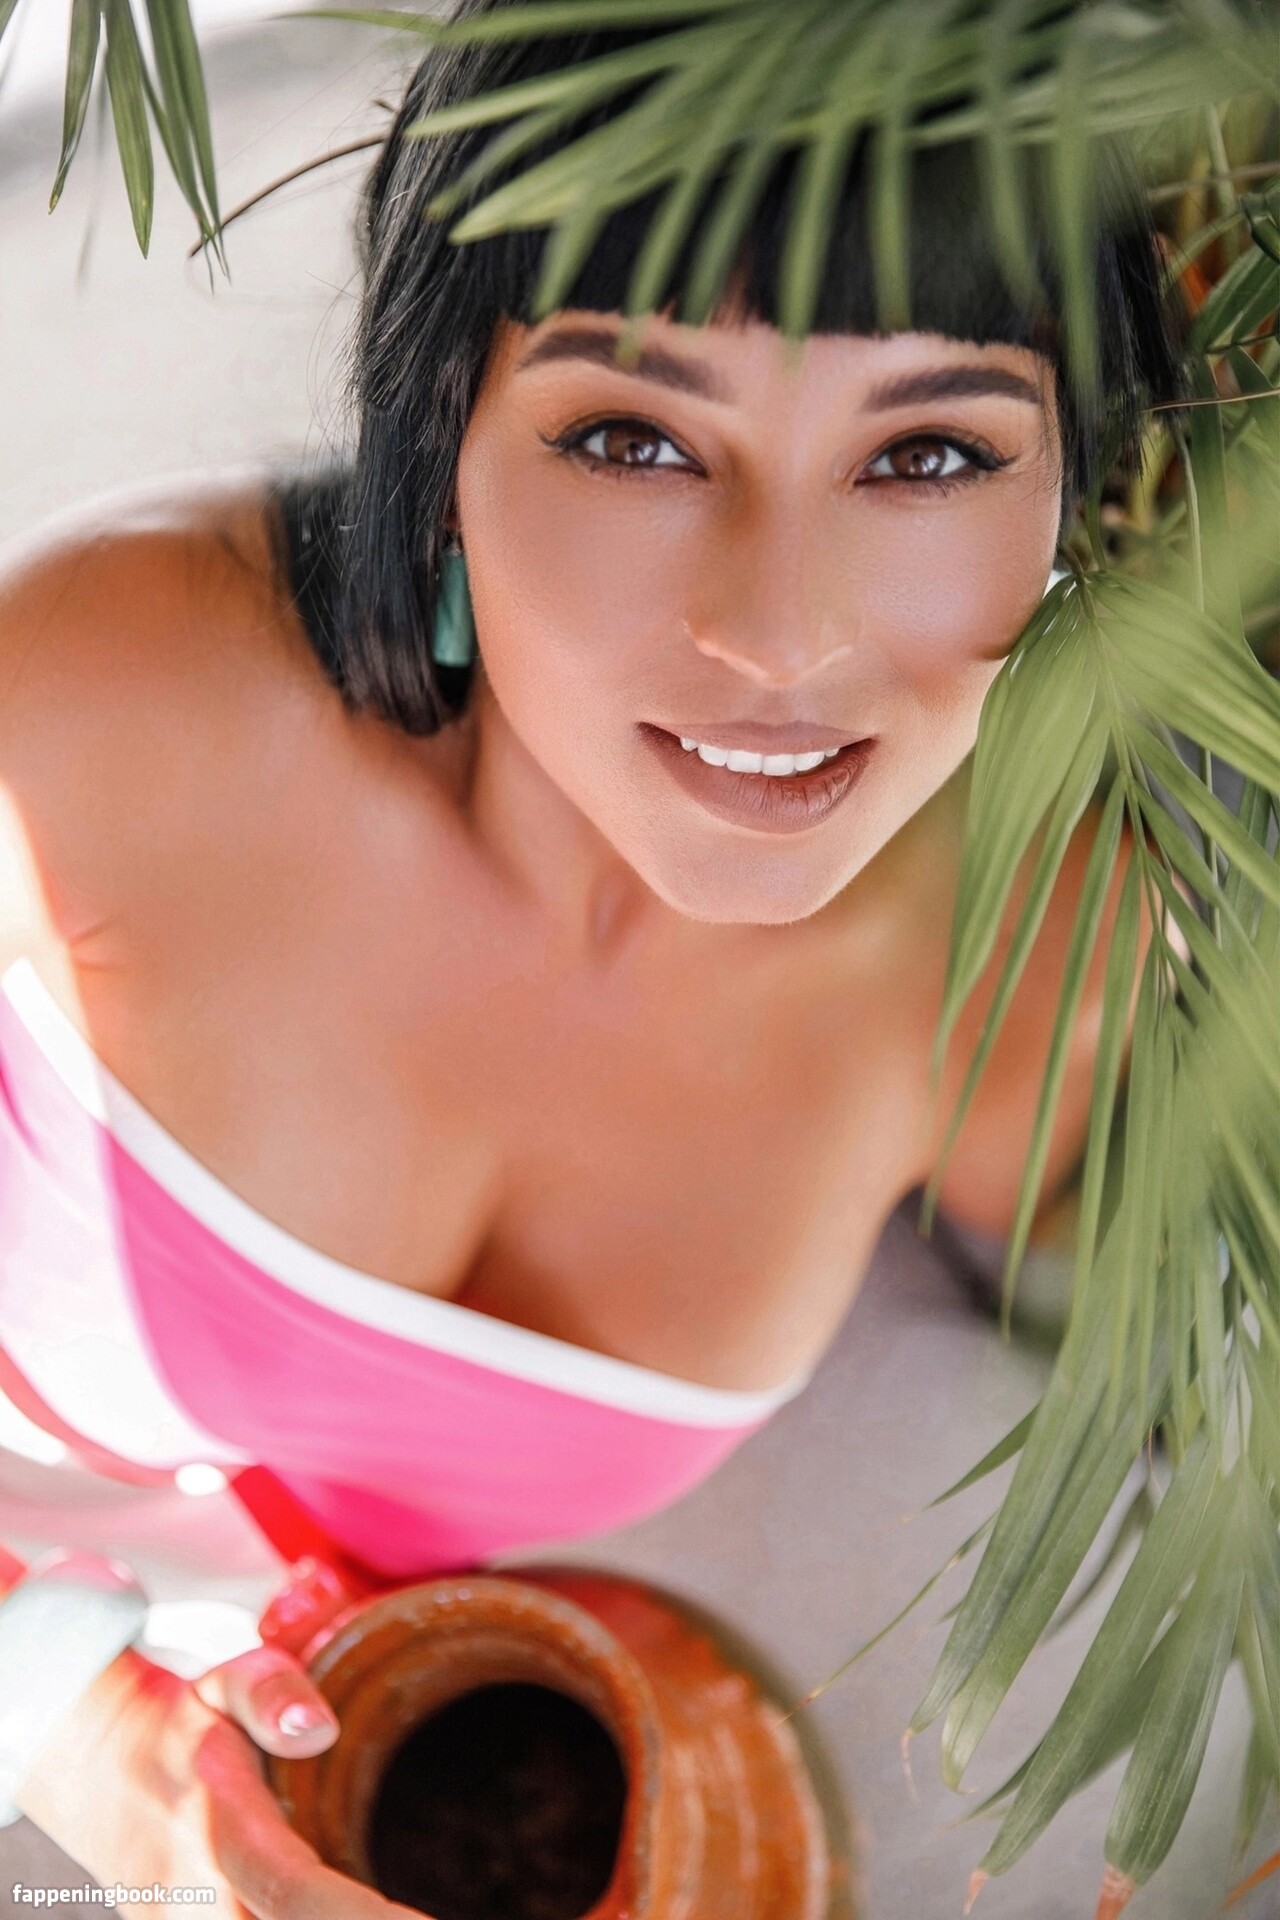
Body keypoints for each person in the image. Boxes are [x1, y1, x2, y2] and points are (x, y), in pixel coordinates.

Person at [0, 2, 1183, 1912]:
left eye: (929, 454)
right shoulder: (91, 714)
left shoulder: (1046, 943)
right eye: (634, 437)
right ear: (439, 433)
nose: (778, 639)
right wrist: (79, 1738)